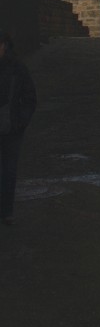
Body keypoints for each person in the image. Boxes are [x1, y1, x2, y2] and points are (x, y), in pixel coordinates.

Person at [0, 31, 37, 225]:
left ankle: (6, 211)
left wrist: (20, 122)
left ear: (4, 45)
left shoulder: (17, 68)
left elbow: (29, 98)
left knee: (9, 170)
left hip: (11, 128)